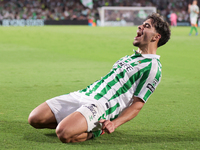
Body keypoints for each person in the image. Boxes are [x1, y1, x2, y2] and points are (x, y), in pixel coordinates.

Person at [28, 13, 171, 143]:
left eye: (146, 26)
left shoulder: (152, 67)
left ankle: (96, 130)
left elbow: (138, 104)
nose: (140, 27)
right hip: (84, 94)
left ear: (156, 37)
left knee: (64, 133)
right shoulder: (129, 58)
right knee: (35, 119)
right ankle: (80, 122)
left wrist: (114, 123)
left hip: (101, 106)